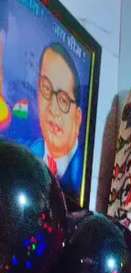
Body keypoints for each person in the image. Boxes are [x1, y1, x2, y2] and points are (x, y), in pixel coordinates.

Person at [31, 42, 83, 194]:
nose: (53, 109)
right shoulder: (27, 153)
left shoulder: (80, 177)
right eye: (46, 88)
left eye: (63, 100)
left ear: (77, 118)